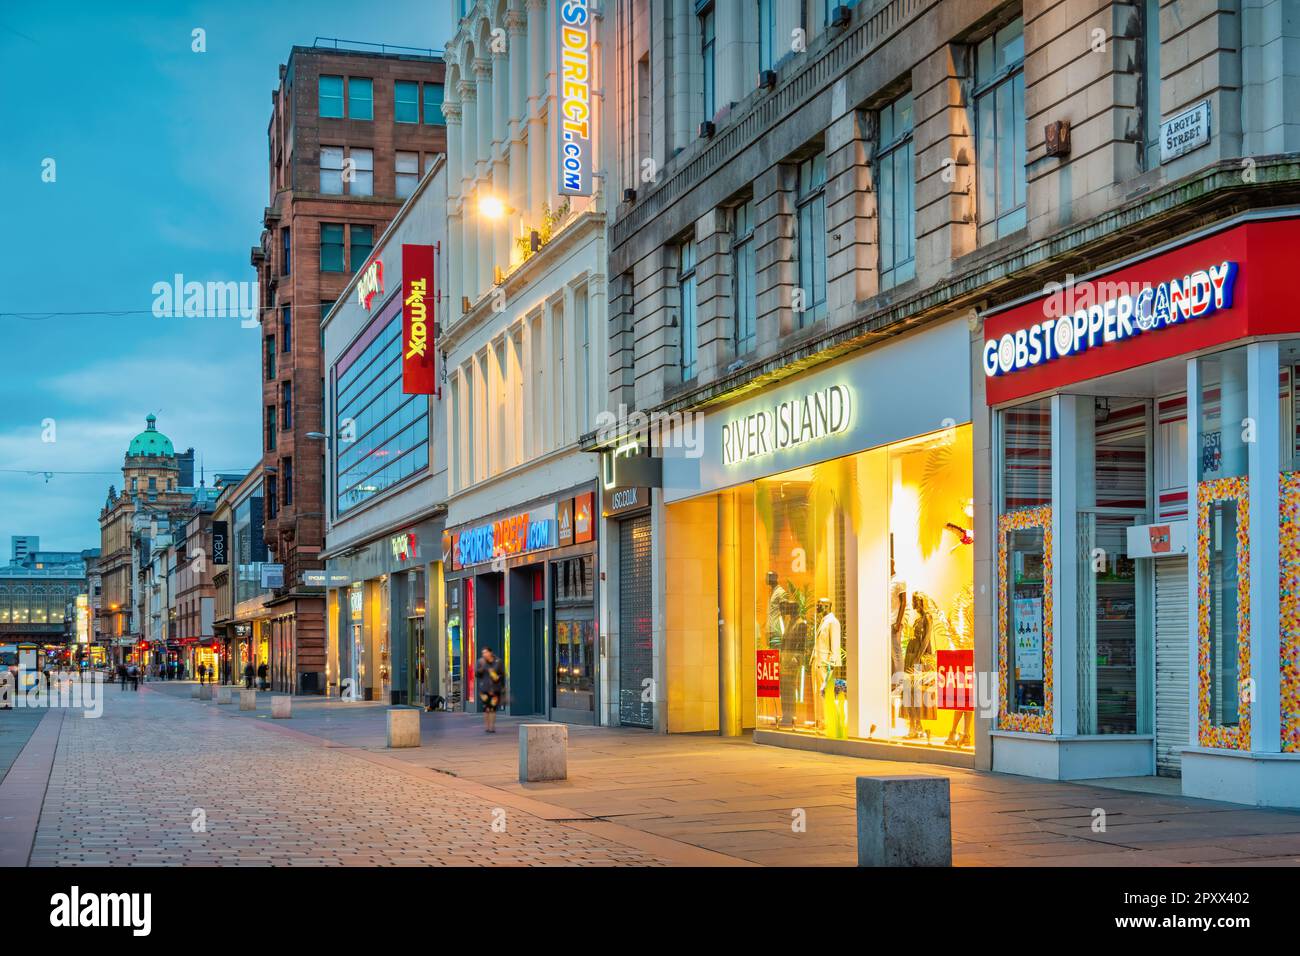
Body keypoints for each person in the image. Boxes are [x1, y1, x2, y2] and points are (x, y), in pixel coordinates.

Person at [474, 647, 505, 733]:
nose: (484, 654)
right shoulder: (480, 661)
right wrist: (482, 668)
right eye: (483, 653)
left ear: (490, 652)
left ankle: (492, 727)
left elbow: (502, 674)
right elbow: (477, 674)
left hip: (495, 688)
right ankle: (487, 727)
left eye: (486, 652)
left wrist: (500, 681)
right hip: (484, 689)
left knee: (493, 708)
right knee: (486, 709)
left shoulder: (498, 662)